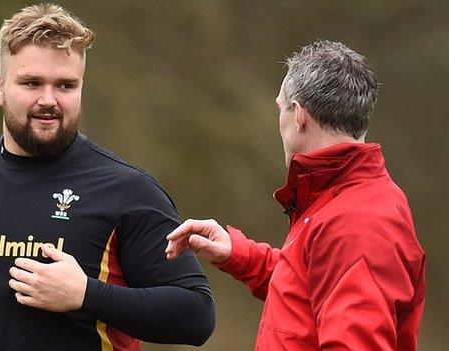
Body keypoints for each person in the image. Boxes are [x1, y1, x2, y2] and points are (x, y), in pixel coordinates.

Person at [0, 4, 215, 350]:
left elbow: (196, 315)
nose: (48, 100)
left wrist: (85, 294)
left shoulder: (128, 191)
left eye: (65, 85)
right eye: (32, 83)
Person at [166, 40, 426, 350]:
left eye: (280, 108)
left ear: (299, 114)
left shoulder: (358, 223)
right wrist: (239, 254)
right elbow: (315, 284)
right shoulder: (341, 200)